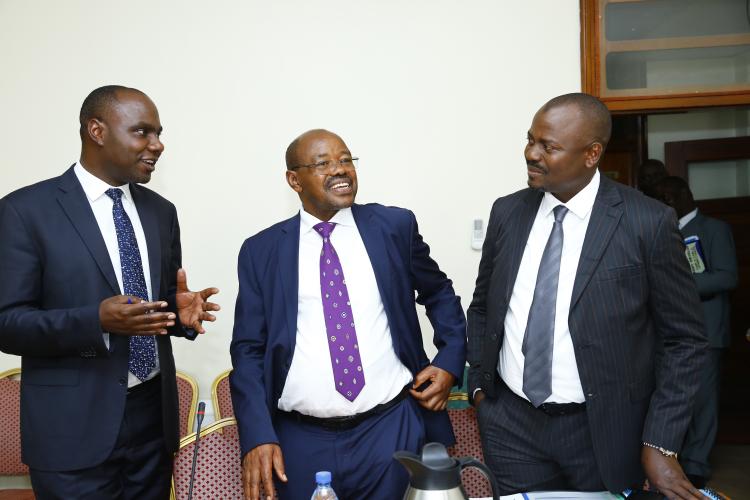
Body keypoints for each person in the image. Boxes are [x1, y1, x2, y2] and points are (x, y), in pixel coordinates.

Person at [467, 93, 708, 498]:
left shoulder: (646, 222)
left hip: (602, 430)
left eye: (549, 146)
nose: (531, 153)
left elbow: (685, 340)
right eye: (530, 140)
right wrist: (478, 386)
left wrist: (660, 441)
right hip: (511, 425)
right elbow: (482, 306)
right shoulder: (507, 212)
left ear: (592, 154)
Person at [0, 85, 220, 499]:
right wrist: (95, 321)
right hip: (71, 432)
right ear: (96, 131)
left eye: (158, 133)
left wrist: (177, 314)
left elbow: (149, 305)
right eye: (142, 132)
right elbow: (7, 322)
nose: (157, 145)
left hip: (152, 424)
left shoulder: (160, 211)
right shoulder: (25, 211)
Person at [230, 129, 466, 500]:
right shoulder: (261, 251)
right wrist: (258, 434)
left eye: (345, 160)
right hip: (301, 438)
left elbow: (438, 291)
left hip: (391, 427)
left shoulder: (394, 227)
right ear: (294, 180)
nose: (340, 170)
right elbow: (247, 351)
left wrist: (450, 359)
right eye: (322, 163)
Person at [654, 176, 738, 488]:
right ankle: (673, 458)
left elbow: (727, 277)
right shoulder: (662, 228)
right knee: (674, 399)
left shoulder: (714, 229)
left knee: (703, 401)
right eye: (661, 196)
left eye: (671, 194)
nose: (668, 201)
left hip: (705, 332)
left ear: (687, 194)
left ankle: (698, 463)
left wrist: (678, 285)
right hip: (666, 333)